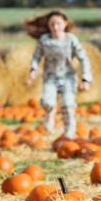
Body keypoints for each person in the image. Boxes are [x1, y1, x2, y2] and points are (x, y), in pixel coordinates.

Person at [26, 10, 92, 139]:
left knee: (68, 105)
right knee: (47, 102)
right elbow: (36, 57)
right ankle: (50, 114)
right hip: (50, 77)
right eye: (52, 24)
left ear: (65, 24)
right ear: (48, 26)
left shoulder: (71, 39)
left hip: (68, 77)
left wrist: (86, 79)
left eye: (58, 24)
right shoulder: (44, 40)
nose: (55, 27)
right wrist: (33, 70)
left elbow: (83, 58)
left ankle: (69, 134)